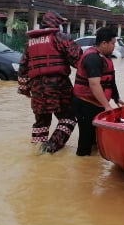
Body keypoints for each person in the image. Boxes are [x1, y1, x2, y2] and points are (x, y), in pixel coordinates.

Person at [17, 11, 82, 154]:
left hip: (37, 88)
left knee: (41, 123)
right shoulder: (60, 38)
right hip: (59, 86)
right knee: (68, 118)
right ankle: (51, 147)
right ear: (56, 23)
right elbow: (79, 60)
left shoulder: (30, 42)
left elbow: (23, 67)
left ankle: (36, 152)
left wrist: (24, 89)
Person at [72, 27, 124, 156]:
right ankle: (82, 165)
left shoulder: (105, 57)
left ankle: (92, 167)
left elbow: (110, 80)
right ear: (104, 43)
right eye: (112, 43)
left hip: (97, 104)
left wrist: (116, 98)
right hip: (85, 104)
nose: (114, 46)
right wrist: (107, 106)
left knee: (96, 138)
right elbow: (95, 84)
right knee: (86, 138)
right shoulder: (92, 58)